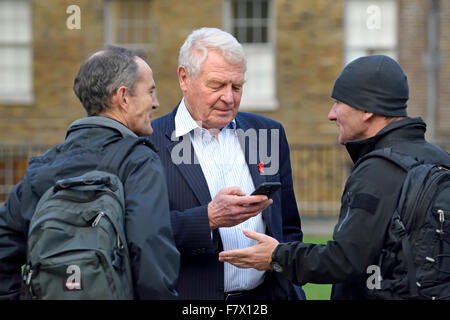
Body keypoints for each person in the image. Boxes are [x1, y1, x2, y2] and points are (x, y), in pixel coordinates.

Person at [218, 55, 450, 299]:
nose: (331, 114)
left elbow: (345, 260)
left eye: (339, 102)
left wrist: (275, 256)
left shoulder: (378, 169)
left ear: (368, 109)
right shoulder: (441, 160)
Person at [0, 46, 180, 300]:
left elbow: (4, 246)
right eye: (150, 92)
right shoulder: (138, 160)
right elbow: (150, 249)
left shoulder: (41, 169)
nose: (156, 103)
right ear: (123, 97)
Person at [148, 27, 305, 300]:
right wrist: (207, 218)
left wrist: (283, 265)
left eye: (237, 86)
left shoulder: (267, 133)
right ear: (184, 78)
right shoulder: (149, 143)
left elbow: (288, 226)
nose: (229, 98)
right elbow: (142, 235)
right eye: (217, 85)